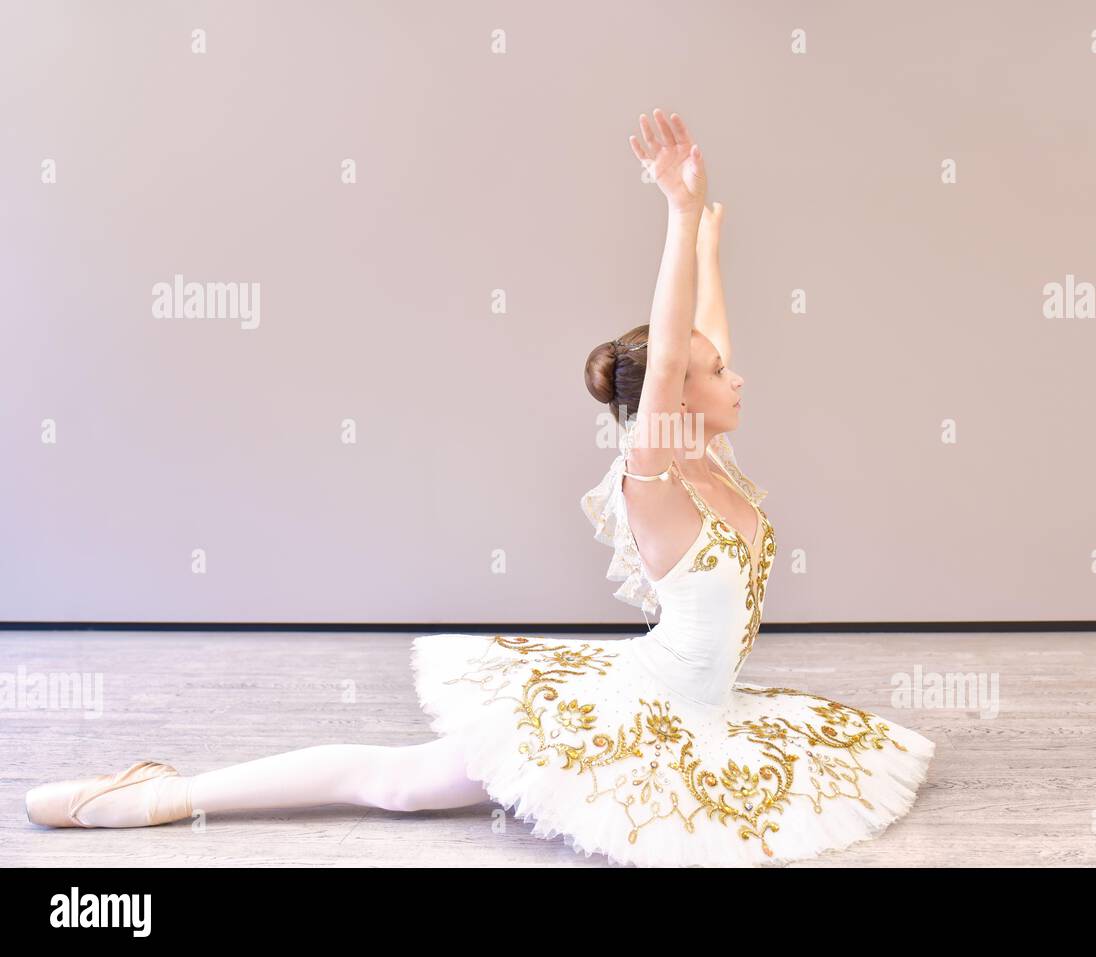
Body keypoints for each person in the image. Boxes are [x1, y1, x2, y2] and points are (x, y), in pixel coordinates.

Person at [25, 109, 935, 867]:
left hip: (695, 704)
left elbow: (695, 341)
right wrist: (676, 217)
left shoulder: (707, 454)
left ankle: (161, 793)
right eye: (712, 372)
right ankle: (159, 797)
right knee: (402, 784)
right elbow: (669, 357)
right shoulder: (657, 478)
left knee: (409, 784)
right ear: (675, 396)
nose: (735, 376)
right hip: (636, 710)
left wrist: (706, 240)